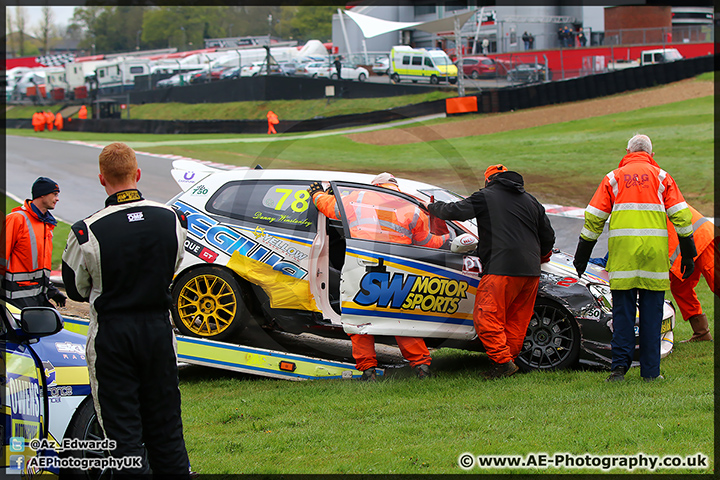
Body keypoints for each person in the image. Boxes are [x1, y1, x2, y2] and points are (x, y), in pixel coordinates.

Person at [62, 142, 191, 476]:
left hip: (114, 335)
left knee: (122, 439)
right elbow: (173, 265)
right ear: (137, 174)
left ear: (102, 179)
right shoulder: (171, 219)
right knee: (167, 432)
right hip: (158, 331)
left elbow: (76, 287)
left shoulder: (86, 230)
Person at [573, 134, 695, 382]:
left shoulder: (613, 177)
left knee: (623, 316)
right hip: (654, 258)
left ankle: (618, 370)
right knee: (651, 317)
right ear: (652, 154)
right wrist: (689, 253)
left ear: (627, 151)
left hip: (623, 257)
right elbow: (681, 217)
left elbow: (594, 219)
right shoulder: (662, 177)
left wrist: (581, 256)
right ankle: (651, 373)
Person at [308, 173, 451, 380]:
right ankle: (421, 366)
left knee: (359, 319)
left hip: (361, 266)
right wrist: (448, 239)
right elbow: (427, 242)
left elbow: (330, 208)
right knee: (401, 317)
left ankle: (368, 371)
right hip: (397, 269)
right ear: (395, 186)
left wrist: (317, 194)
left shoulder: (358, 198)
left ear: (375, 185)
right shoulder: (411, 207)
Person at [428, 165, 555, 380]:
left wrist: (433, 207)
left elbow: (455, 211)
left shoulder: (486, 196)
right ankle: (507, 363)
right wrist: (538, 257)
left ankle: (502, 362)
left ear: (488, 181)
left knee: (485, 317)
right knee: (516, 320)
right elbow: (548, 237)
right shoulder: (532, 201)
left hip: (501, 268)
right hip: (531, 272)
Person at [2, 177, 66, 309]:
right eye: (54, 194)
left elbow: (39, 267)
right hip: (16, 299)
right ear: (42, 194)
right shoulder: (16, 219)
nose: (57, 198)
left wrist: (51, 290)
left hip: (36, 297)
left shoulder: (46, 224)